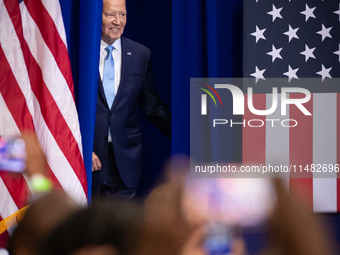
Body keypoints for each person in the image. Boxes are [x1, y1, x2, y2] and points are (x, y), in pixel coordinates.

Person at [92, 0, 171, 198]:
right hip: (89, 158)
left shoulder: (140, 54)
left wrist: (188, 135)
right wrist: (81, 148)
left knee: (119, 228)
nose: (117, 21)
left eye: (123, 14)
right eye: (110, 14)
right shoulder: (83, 51)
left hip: (125, 161)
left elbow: (152, 107)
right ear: (97, 15)